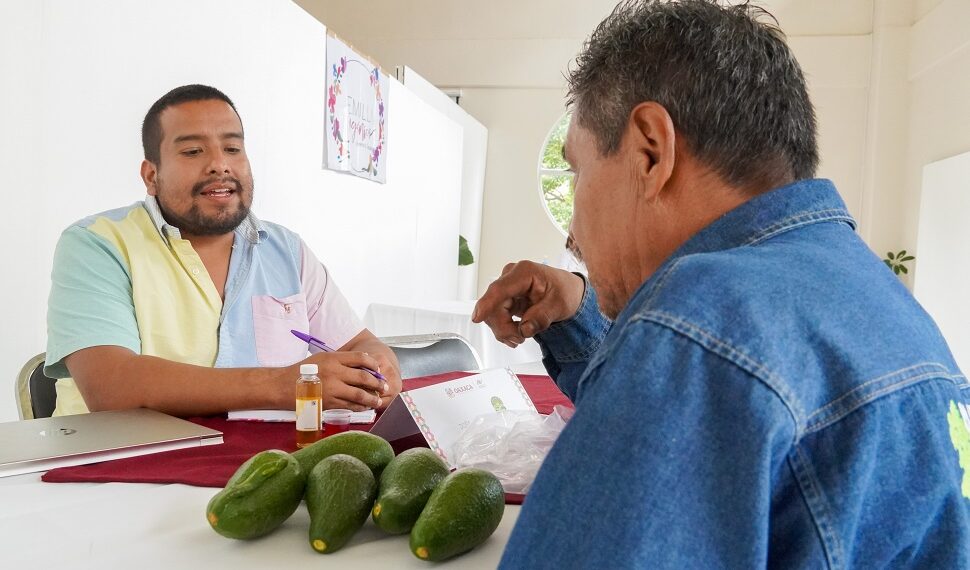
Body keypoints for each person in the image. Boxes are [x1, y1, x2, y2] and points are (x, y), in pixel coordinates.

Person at [473, 1, 970, 567]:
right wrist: (578, 311)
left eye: (577, 171)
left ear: (649, 151)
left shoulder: (699, 321)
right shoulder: (880, 303)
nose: (572, 230)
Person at [45, 84, 402, 417]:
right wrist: (285, 384)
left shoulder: (287, 250)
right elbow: (111, 386)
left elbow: (358, 342)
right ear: (151, 176)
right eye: (192, 151)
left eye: (233, 148)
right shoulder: (97, 244)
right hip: (119, 470)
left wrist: (381, 369)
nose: (220, 164)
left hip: (263, 464)